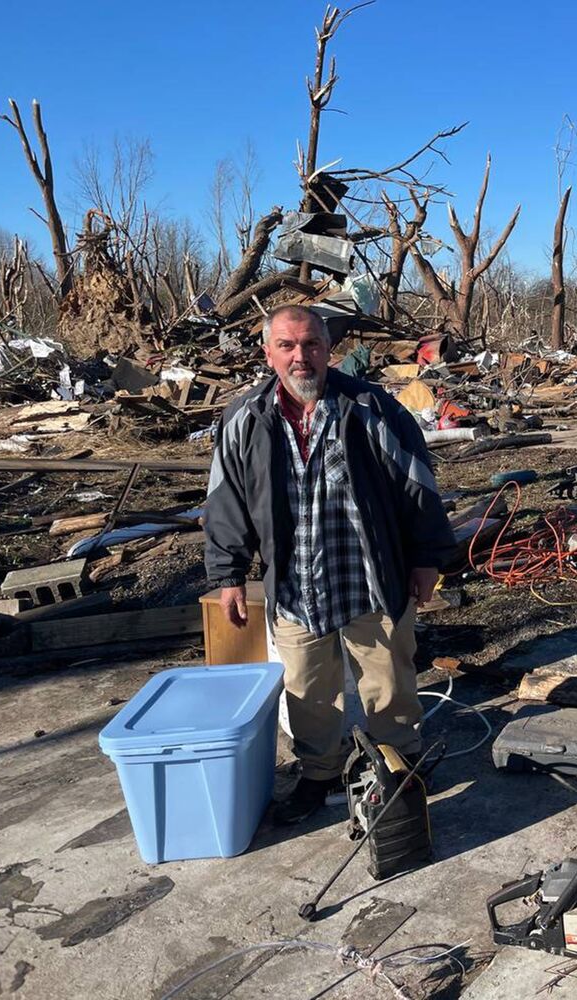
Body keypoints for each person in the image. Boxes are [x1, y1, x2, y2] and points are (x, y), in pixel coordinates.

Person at [204, 304, 454, 825]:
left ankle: (400, 762)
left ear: (328, 349)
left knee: (389, 678)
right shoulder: (245, 418)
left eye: (312, 345)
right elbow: (225, 500)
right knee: (307, 689)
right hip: (295, 585)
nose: (302, 357)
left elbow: (418, 486)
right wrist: (228, 575)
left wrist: (428, 558)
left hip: (370, 576)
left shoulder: (372, 408)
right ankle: (319, 773)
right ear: (268, 352)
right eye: (288, 346)